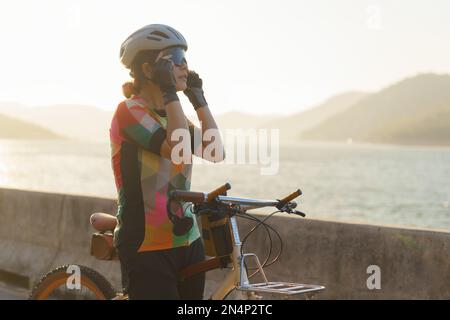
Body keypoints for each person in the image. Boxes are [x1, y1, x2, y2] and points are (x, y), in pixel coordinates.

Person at [110, 24, 225, 299]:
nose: (184, 66)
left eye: (185, 59)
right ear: (149, 70)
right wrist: (170, 91)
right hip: (147, 245)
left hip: (189, 240)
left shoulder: (174, 118)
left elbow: (215, 152)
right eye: (174, 59)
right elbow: (177, 150)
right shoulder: (129, 111)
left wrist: (199, 100)